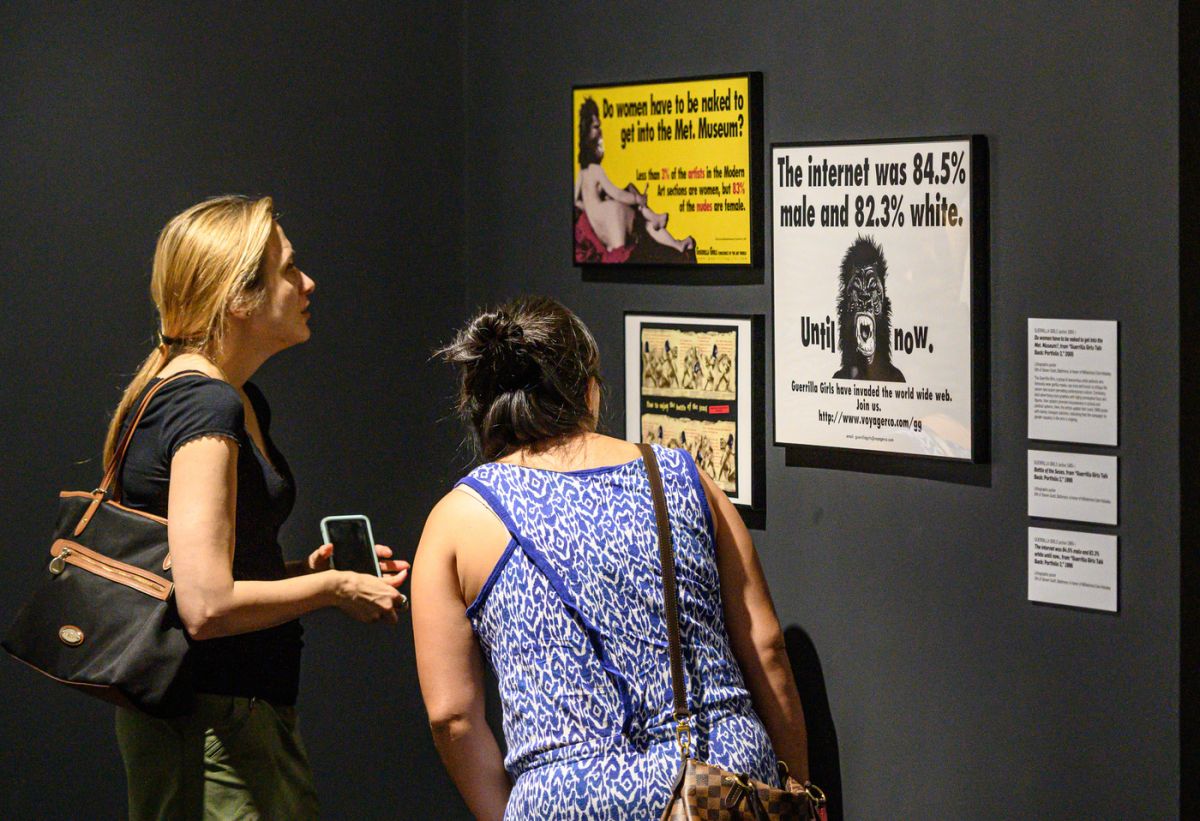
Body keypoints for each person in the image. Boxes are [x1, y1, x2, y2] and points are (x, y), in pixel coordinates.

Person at [412, 296, 809, 819]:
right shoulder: (681, 476)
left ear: (483, 404)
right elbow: (767, 647)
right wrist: (796, 791)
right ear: (589, 390)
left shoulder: (458, 518)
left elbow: (452, 717)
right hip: (719, 782)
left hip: (573, 798)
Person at [109, 195, 408, 820]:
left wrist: (302, 572)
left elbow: (205, 573)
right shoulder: (205, 406)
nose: (308, 283)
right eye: (289, 269)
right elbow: (206, 607)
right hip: (215, 730)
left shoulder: (232, 398)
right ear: (239, 298)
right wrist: (333, 588)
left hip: (235, 720)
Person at [573, 97, 696, 262]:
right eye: (596, 127)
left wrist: (591, 207)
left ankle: (667, 233)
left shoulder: (582, 173)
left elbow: (575, 201)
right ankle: (656, 220)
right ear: (586, 132)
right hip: (609, 216)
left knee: (640, 210)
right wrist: (637, 199)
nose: (600, 131)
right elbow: (617, 194)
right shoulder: (596, 170)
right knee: (636, 204)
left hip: (601, 222)